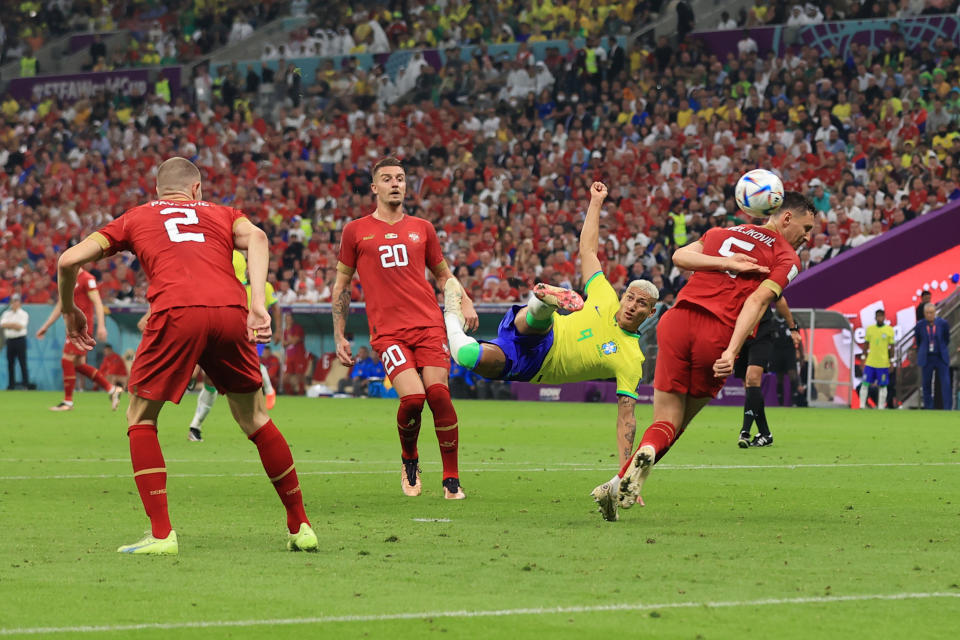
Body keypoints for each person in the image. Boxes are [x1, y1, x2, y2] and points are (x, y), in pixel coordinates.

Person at [55, 157, 317, 554]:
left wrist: (71, 310)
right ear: (196, 190)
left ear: (158, 190)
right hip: (231, 313)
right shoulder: (222, 213)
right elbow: (259, 238)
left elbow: (67, 260)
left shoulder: (137, 216)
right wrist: (258, 303)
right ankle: (301, 526)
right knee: (255, 417)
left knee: (140, 417)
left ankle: (161, 535)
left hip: (176, 313)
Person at [591, 191, 816, 521]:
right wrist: (732, 350)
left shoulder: (724, 232)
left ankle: (617, 482)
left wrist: (725, 262)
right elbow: (756, 303)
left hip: (676, 321)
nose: (807, 237)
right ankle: (635, 466)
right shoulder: (786, 257)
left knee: (665, 416)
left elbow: (680, 257)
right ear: (785, 218)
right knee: (676, 423)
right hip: (717, 333)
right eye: (806, 228)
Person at [444, 182, 659, 466]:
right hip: (546, 333)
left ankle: (451, 313)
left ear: (651, 312)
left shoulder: (632, 358)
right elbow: (588, 250)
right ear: (623, 296)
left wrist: (624, 472)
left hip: (535, 366)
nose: (632, 305)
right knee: (536, 323)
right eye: (630, 297)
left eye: (641, 304)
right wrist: (596, 202)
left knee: (467, 356)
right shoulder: (605, 295)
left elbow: (627, 417)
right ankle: (544, 300)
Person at [332, 157, 478, 500]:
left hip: (428, 324)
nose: (395, 183)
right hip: (389, 333)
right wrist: (339, 334)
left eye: (400, 178)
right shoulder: (355, 230)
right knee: (413, 398)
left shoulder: (423, 228)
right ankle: (410, 458)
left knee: (439, 394)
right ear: (375, 188)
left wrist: (465, 299)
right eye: (387, 179)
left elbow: (443, 274)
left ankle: (451, 478)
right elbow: (341, 286)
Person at [187, 250, 281, 442]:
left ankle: (269, 392)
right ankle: (195, 426)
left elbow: (276, 306)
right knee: (211, 382)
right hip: (224, 328)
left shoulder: (262, 286)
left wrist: (278, 329)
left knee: (252, 365)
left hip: (249, 331)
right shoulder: (220, 260)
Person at [36, 267, 123, 411]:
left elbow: (98, 303)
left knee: (67, 359)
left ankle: (68, 402)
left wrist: (101, 325)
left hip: (81, 326)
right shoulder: (67, 278)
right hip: (71, 326)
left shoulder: (87, 279)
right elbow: (60, 305)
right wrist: (46, 326)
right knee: (78, 364)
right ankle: (112, 389)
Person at [735, 297, 801, 448]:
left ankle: (745, 432)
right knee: (748, 386)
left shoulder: (763, 276)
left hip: (762, 333)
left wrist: (793, 328)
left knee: (752, 378)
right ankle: (765, 433)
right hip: (738, 333)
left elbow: (780, 300)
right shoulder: (727, 277)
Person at [915, 303, 952, 410]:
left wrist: (941, 348)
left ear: (935, 313)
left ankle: (947, 408)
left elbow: (946, 338)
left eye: (931, 313)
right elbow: (918, 340)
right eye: (927, 313)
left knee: (945, 383)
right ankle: (929, 408)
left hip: (940, 357)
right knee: (926, 384)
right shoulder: (920, 325)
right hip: (927, 357)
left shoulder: (943, 323)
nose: (929, 315)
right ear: (924, 314)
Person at [859, 309, 895, 410]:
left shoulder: (889, 330)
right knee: (865, 384)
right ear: (875, 318)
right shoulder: (870, 329)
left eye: (881, 316)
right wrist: (863, 359)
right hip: (870, 362)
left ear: (884, 317)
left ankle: (880, 407)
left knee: (883, 386)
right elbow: (866, 345)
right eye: (878, 316)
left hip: (883, 363)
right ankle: (861, 406)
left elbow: (891, 347)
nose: (879, 318)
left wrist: (891, 361)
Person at [1, 293, 30, 389]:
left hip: (20, 340)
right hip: (10, 340)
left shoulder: (24, 314)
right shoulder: (6, 314)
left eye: (17, 301)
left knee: (22, 362)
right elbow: (2, 325)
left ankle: (25, 384)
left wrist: (10, 325)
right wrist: (14, 325)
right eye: (13, 301)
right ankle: (11, 385)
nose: (15, 303)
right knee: (10, 363)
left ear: (20, 303)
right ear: (11, 302)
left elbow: (20, 327)